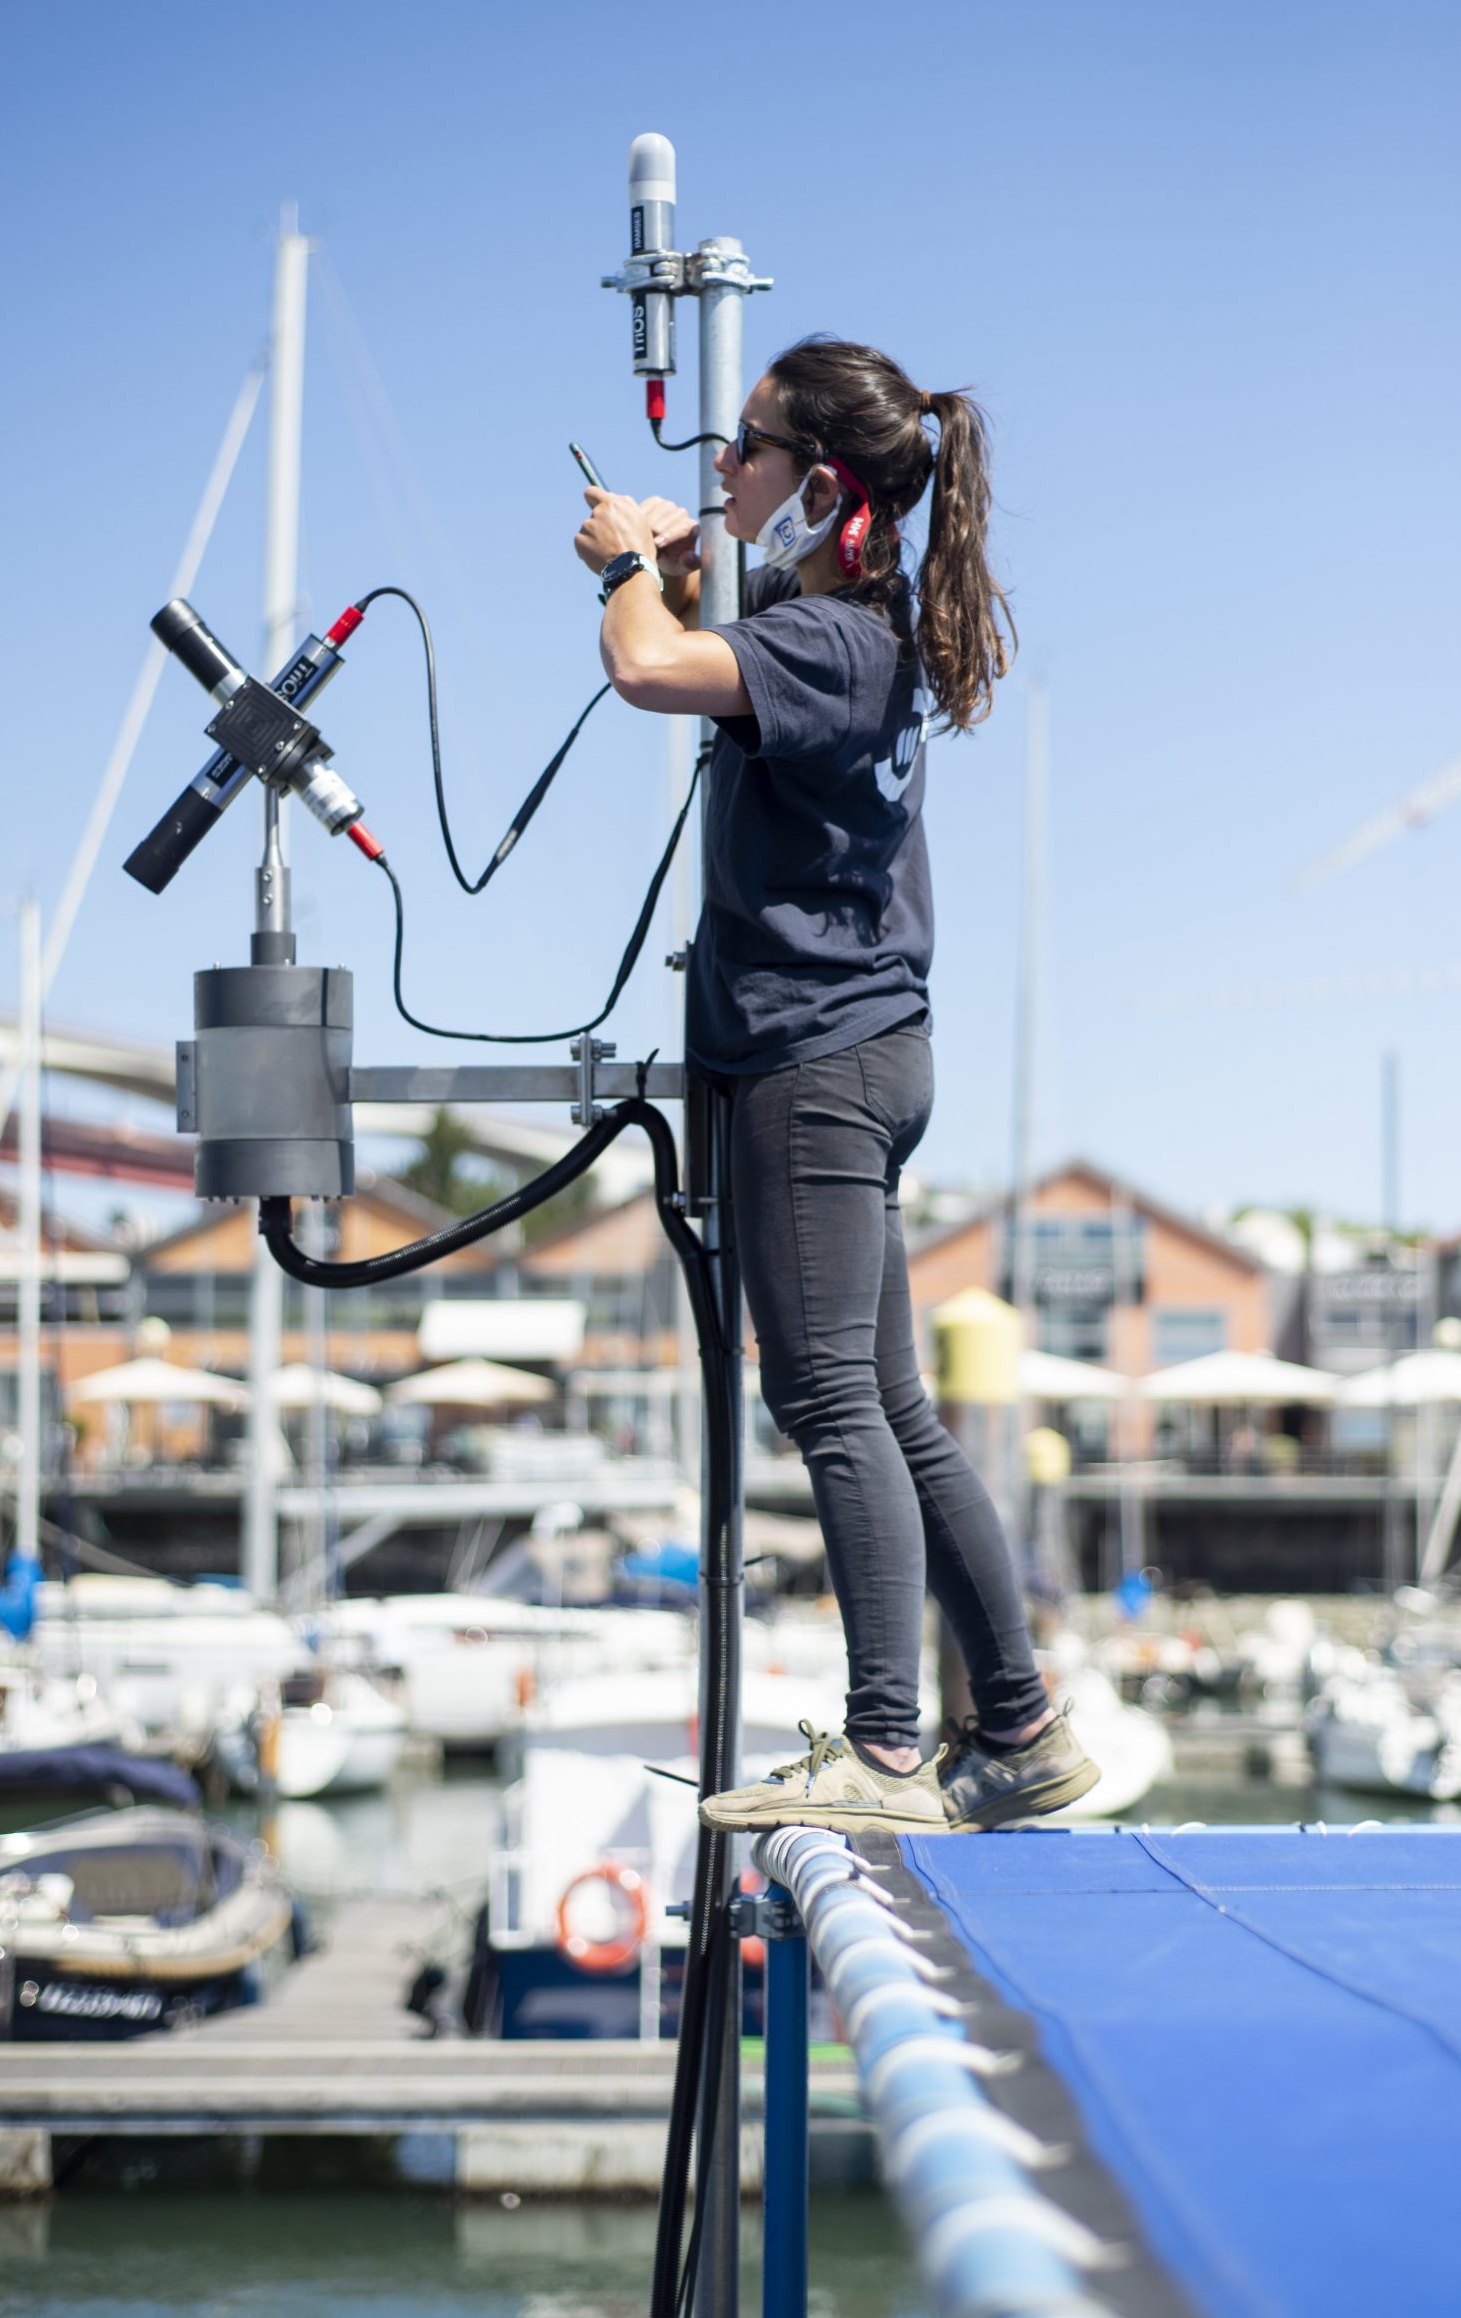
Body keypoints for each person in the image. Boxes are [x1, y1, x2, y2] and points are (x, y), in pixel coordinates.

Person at [573, 337, 1098, 1834]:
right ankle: (1020, 1729)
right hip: (856, 1050)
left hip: (811, 1063)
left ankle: (881, 1753)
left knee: (828, 1403)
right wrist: (683, 564)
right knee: (887, 1408)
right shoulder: (831, 628)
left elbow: (645, 669)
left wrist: (626, 561)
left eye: (738, 452)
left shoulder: (833, 641)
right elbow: (692, 652)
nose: (713, 476)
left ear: (814, 483)